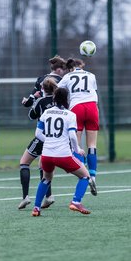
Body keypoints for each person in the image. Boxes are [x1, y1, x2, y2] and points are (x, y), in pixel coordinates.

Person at [31, 87, 91, 217]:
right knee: (85, 176)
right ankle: (76, 201)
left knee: (46, 179)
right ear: (67, 99)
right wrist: (77, 149)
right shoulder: (70, 115)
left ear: (54, 98)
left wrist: (49, 141)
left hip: (47, 154)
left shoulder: (46, 112)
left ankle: (36, 208)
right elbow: (73, 136)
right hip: (63, 155)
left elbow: (38, 133)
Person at [57, 58, 99, 196]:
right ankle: (93, 176)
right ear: (81, 66)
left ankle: (83, 175)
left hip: (77, 108)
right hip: (92, 107)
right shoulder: (91, 75)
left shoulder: (67, 76)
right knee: (92, 144)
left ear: (70, 68)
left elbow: (59, 91)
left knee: (77, 145)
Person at [18, 77, 59, 210]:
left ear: (42, 89)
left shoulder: (41, 101)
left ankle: (25, 197)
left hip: (42, 137)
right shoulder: (60, 101)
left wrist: (34, 99)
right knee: (43, 165)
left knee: (24, 162)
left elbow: (31, 116)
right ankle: (49, 196)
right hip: (57, 138)